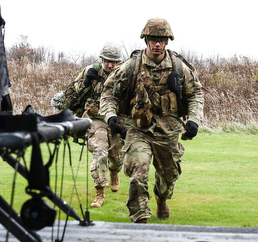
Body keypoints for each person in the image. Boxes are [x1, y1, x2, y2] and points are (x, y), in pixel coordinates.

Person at [100, 18, 203, 223]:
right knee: (138, 171)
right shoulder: (131, 66)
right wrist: (111, 116)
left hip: (169, 130)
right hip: (138, 128)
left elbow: (195, 94)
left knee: (169, 176)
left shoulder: (178, 66)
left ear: (167, 41)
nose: (158, 43)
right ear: (146, 40)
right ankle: (140, 219)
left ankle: (161, 197)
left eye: (162, 39)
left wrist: (194, 119)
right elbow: (109, 93)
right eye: (154, 39)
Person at [61, 42, 125, 208]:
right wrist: (86, 83)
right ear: (102, 59)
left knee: (118, 158)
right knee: (99, 151)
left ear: (119, 62)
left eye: (114, 62)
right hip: (96, 118)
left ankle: (114, 172)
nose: (110, 65)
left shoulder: (125, 74)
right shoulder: (92, 71)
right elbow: (71, 97)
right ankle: (100, 192)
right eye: (107, 61)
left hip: (117, 119)